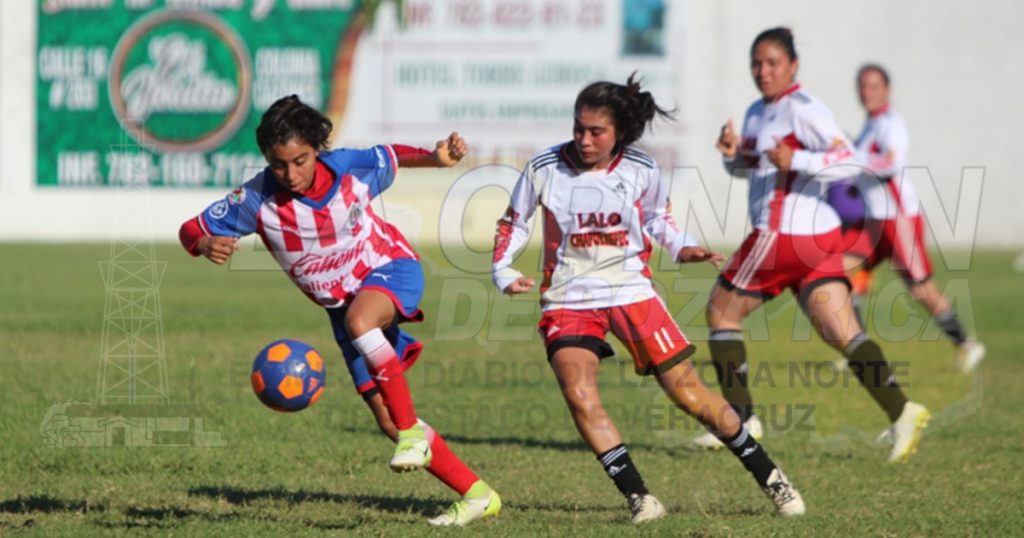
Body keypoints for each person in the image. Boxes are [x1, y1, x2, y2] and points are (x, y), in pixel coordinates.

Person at [492, 74, 805, 523]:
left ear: (619, 131)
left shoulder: (640, 168)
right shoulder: (545, 168)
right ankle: (640, 497)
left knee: (689, 394)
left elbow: (659, 219)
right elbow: (513, 221)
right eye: (578, 128)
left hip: (630, 290)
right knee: (579, 393)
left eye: (595, 131)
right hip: (567, 297)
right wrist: (502, 270)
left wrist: (683, 247)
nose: (583, 139)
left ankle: (772, 478)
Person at [178, 95, 499, 527]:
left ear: (317, 148)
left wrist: (436, 158)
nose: (290, 174)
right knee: (385, 415)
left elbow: (389, 155)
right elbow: (191, 229)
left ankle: (412, 435)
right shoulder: (256, 199)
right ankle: (477, 494)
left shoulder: (347, 168)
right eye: (278, 164)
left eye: (300, 160)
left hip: (389, 268)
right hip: (341, 307)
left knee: (363, 325)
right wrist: (202, 244)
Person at [691, 28, 931, 464]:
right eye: (756, 63)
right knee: (841, 332)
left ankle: (742, 419)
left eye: (772, 63)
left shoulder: (805, 109)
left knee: (721, 310)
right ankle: (903, 411)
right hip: (815, 242)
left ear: (793, 65)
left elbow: (850, 161)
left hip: (784, 234)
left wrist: (798, 160)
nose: (763, 71)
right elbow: (759, 168)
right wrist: (733, 156)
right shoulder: (756, 111)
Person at [838, 64, 984, 374]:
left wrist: (852, 160)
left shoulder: (892, 124)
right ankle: (858, 351)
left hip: (898, 219)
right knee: (843, 269)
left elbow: (891, 163)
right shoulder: (871, 124)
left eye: (874, 86)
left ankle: (966, 344)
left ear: (887, 90)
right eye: (863, 86)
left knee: (920, 288)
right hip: (874, 220)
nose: (867, 92)